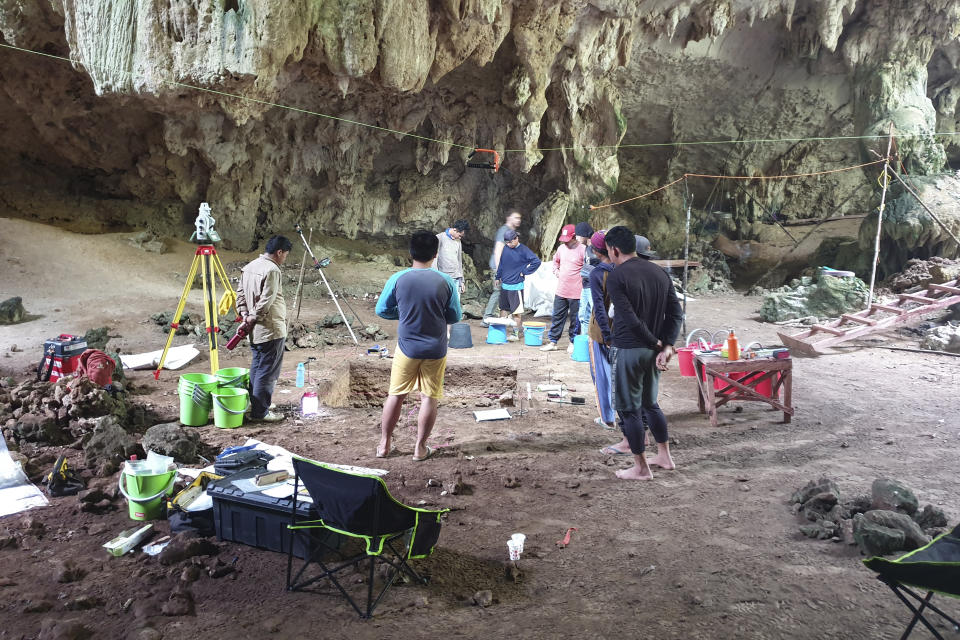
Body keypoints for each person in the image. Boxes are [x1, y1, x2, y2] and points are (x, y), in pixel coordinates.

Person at [604, 226, 683, 480]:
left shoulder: (617, 276)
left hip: (629, 350)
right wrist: (667, 345)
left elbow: (629, 318)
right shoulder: (660, 273)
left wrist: (657, 343)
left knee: (629, 410)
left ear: (614, 249)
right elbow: (675, 314)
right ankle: (664, 456)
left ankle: (640, 468)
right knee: (650, 404)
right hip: (653, 352)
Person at [376, 230, 462, 461]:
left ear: (410, 253)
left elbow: (381, 309)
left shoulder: (398, 279)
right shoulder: (445, 281)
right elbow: (455, 316)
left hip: (407, 348)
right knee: (429, 398)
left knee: (396, 395)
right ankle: (420, 448)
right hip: (435, 348)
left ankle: (384, 444)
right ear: (435, 254)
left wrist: (404, 313)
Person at [236, 235, 293, 423]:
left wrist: (245, 315)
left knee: (257, 366)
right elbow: (267, 300)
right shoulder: (272, 270)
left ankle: (256, 403)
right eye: (285, 255)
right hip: (270, 328)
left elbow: (240, 295)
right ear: (279, 252)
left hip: (254, 330)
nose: (284, 258)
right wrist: (253, 316)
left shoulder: (250, 266)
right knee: (267, 371)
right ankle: (260, 412)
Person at [586, 230, 617, 430]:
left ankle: (607, 418)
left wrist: (605, 335)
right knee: (617, 374)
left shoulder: (599, 274)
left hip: (600, 333)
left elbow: (599, 307)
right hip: (620, 331)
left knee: (601, 376)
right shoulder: (622, 269)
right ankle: (620, 413)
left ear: (597, 252)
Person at [540, 223, 585, 352]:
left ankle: (573, 342)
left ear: (574, 236)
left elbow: (588, 268)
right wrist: (556, 271)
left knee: (575, 319)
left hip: (577, 291)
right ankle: (553, 342)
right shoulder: (561, 249)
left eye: (568, 239)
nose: (565, 242)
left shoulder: (583, 249)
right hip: (561, 290)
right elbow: (556, 262)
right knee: (557, 317)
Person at [495, 229, 541, 341]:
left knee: (516, 312)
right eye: (506, 242)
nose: (508, 244)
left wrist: (524, 272)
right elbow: (501, 263)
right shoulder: (506, 248)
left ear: (516, 239)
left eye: (510, 242)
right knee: (503, 309)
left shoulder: (524, 250)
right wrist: (497, 276)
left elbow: (536, 261)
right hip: (505, 284)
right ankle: (501, 333)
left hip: (516, 286)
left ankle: (515, 334)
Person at [483, 211, 523, 319]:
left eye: (519, 218)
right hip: (500, 268)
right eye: (516, 217)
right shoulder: (504, 231)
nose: (518, 220)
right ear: (508, 218)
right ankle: (487, 317)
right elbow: (498, 250)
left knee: (503, 292)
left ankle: (503, 316)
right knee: (498, 291)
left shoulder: (510, 231)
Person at [434, 219, 470, 294]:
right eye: (460, 235)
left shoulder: (458, 241)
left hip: (456, 278)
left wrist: (462, 281)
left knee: (455, 303)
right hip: (443, 278)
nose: (460, 238)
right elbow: (434, 259)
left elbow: (459, 261)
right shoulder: (440, 238)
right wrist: (436, 277)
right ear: (455, 229)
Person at [574, 221, 596, 334]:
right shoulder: (586, 248)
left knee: (595, 315)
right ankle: (585, 342)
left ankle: (597, 343)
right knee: (583, 316)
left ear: (584, 234)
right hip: (586, 286)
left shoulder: (596, 248)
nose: (576, 237)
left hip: (594, 287)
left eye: (578, 235)